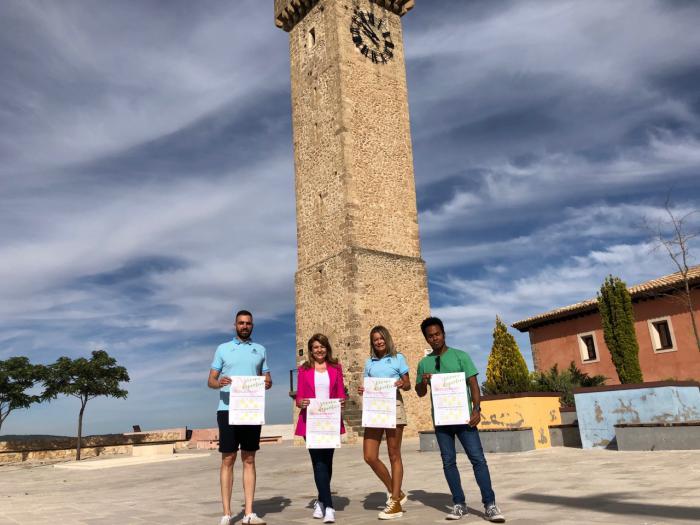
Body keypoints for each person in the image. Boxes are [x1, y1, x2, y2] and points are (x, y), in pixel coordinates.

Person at [416, 317, 505, 522]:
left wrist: (477, 409)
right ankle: (459, 504)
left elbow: (473, 384)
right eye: (430, 336)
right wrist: (424, 380)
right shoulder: (424, 363)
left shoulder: (461, 356)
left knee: (478, 460)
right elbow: (420, 392)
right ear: (426, 339)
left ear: (444, 333)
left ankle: (490, 505)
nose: (434, 338)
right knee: (448, 462)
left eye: (437, 334)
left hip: (464, 419)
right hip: (442, 421)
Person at [208, 310, 272, 525]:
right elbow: (211, 380)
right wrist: (220, 382)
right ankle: (226, 513)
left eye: (248, 323)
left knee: (250, 459)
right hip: (227, 410)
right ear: (235, 325)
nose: (245, 326)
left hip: (251, 410)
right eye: (241, 323)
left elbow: (267, 377)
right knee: (228, 458)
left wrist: (267, 382)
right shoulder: (223, 349)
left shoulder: (260, 349)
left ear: (252, 326)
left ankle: (249, 513)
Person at [358, 326, 411, 520]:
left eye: (381, 338)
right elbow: (367, 385)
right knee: (369, 456)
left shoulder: (398, 358)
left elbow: (408, 384)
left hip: (394, 407)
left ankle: (395, 502)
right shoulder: (369, 363)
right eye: (375, 339)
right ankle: (395, 491)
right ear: (372, 342)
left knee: (394, 454)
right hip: (374, 411)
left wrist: (401, 383)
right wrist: (363, 390)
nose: (378, 342)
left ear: (386, 339)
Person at [295, 334, 347, 523]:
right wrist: (301, 403)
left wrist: (342, 402)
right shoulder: (304, 370)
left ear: (327, 348)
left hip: (330, 421)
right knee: (318, 463)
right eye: (316, 347)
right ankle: (330, 506)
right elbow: (299, 397)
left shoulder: (336, 368)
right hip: (311, 422)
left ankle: (320, 501)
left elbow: (341, 393)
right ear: (311, 350)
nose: (319, 350)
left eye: (322, 346)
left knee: (328, 462)